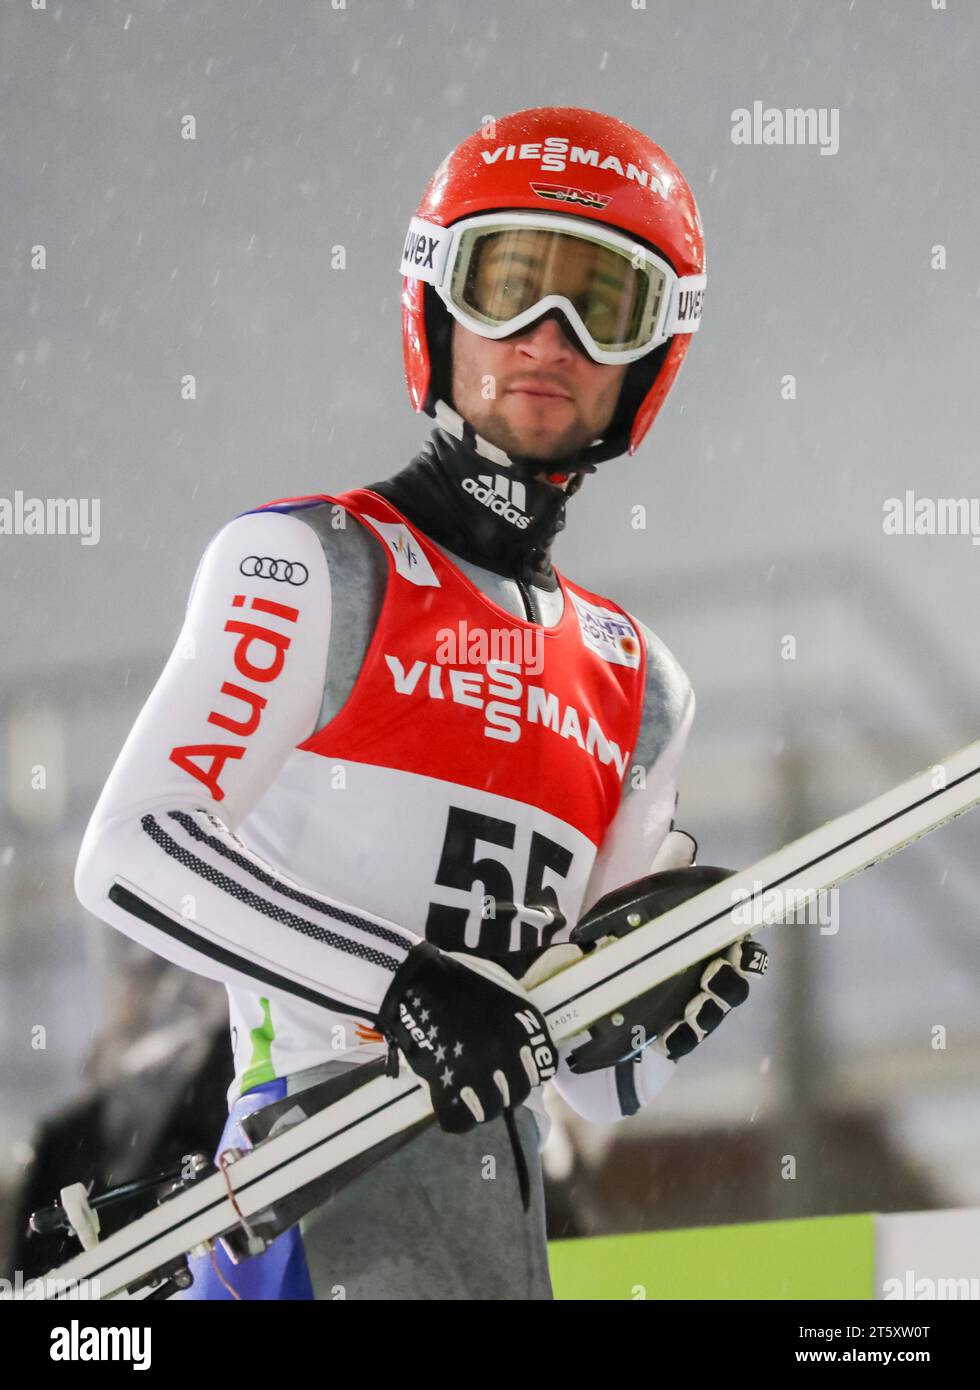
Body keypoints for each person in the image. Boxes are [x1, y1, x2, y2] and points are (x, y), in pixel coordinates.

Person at [74, 106, 761, 1301]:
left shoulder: (640, 682)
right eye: (508, 284)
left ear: (649, 359)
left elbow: (587, 1084)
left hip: (494, 1210)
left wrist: (650, 1015)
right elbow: (131, 847)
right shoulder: (314, 567)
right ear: (434, 309)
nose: (546, 337)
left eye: (601, 305)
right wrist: (401, 987)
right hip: (312, 1183)